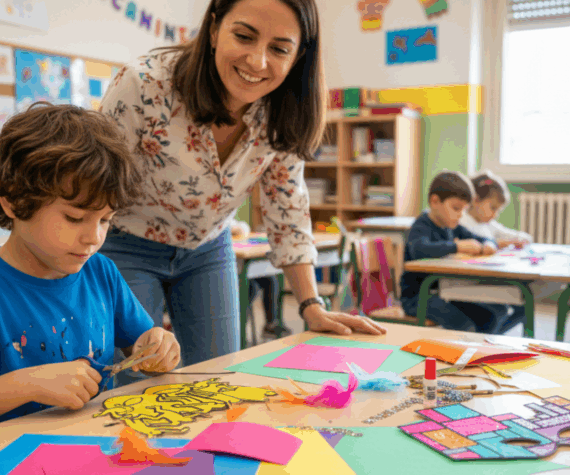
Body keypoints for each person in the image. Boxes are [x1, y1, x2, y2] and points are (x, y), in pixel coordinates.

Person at [99, 0, 385, 383]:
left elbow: (287, 208)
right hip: (127, 243)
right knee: (135, 380)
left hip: (207, 247)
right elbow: (94, 179)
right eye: (244, 36)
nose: (257, 61)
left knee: (220, 377)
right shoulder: (144, 84)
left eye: (279, 49)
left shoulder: (283, 110)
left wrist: (311, 304)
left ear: (298, 55)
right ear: (215, 29)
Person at [0, 104, 181, 449]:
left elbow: (142, 343)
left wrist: (158, 348)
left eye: (105, 220)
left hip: (92, 450)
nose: (93, 238)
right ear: (14, 203)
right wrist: (25, 385)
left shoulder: (100, 272)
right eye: (75, 218)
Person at [400, 171, 525, 334]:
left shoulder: (452, 226)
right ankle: (467, 350)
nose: (460, 215)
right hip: (418, 298)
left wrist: (488, 243)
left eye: (464, 210)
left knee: (490, 317)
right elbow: (420, 250)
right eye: (456, 208)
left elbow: (478, 238)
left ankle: (479, 350)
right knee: (465, 324)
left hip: (445, 292)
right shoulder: (422, 225)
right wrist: (457, 247)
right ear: (435, 201)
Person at [229, 219, 290, 338]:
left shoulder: (228, 220)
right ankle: (238, 331)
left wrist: (235, 229)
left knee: (270, 279)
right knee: (249, 287)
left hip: (241, 269)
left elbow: (243, 227)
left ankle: (271, 324)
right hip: (232, 274)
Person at [459, 171, 532, 249]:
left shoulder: (489, 224)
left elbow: (525, 237)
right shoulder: (461, 222)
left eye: (498, 210)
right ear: (475, 199)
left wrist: (518, 240)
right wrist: (497, 243)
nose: (495, 214)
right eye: (493, 208)